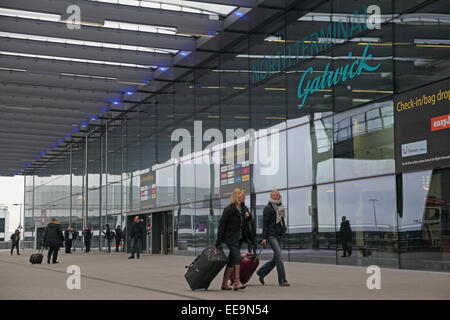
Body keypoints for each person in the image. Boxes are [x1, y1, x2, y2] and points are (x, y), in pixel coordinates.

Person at [216, 188, 250, 291]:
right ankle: (236, 282)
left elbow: (248, 221)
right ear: (237, 197)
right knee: (237, 258)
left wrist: (248, 217)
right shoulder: (229, 209)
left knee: (231, 261)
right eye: (243, 196)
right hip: (230, 238)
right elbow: (222, 226)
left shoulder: (244, 208)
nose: (244, 197)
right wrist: (218, 242)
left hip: (239, 238)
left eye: (244, 196)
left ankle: (224, 284)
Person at [256, 190, 290, 287]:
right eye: (273, 195)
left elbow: (281, 221)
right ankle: (283, 280)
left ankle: (261, 272)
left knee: (276, 258)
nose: (275, 196)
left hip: (279, 234)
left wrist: (284, 229)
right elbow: (265, 224)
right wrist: (264, 237)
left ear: (279, 196)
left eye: (277, 195)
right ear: (271, 196)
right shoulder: (268, 208)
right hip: (271, 235)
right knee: (279, 256)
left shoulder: (281, 206)